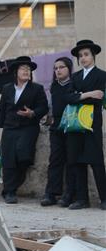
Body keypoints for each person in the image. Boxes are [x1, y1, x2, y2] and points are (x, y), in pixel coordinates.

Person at [0, 56, 49, 204]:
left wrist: (32, 113)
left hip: (28, 128)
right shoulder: (7, 88)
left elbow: (43, 107)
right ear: (16, 72)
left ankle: (11, 187)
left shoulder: (36, 88)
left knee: (23, 157)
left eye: (28, 69)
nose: (26, 71)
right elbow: (1, 111)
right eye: (23, 68)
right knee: (9, 160)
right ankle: (10, 191)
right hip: (9, 128)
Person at [66, 40, 106, 210]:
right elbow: (68, 97)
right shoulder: (74, 77)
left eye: (86, 54)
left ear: (93, 56)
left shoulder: (102, 75)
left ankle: (104, 198)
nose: (83, 58)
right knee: (77, 161)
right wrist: (88, 94)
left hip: (93, 123)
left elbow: (101, 97)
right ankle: (82, 199)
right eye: (80, 56)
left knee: (97, 161)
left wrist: (79, 96)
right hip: (75, 124)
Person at [41, 57, 75, 207]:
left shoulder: (74, 85)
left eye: (61, 67)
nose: (58, 70)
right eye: (55, 68)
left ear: (69, 69)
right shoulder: (54, 87)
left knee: (71, 161)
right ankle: (51, 193)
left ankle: (69, 194)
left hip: (71, 127)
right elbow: (50, 106)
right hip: (56, 128)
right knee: (55, 160)